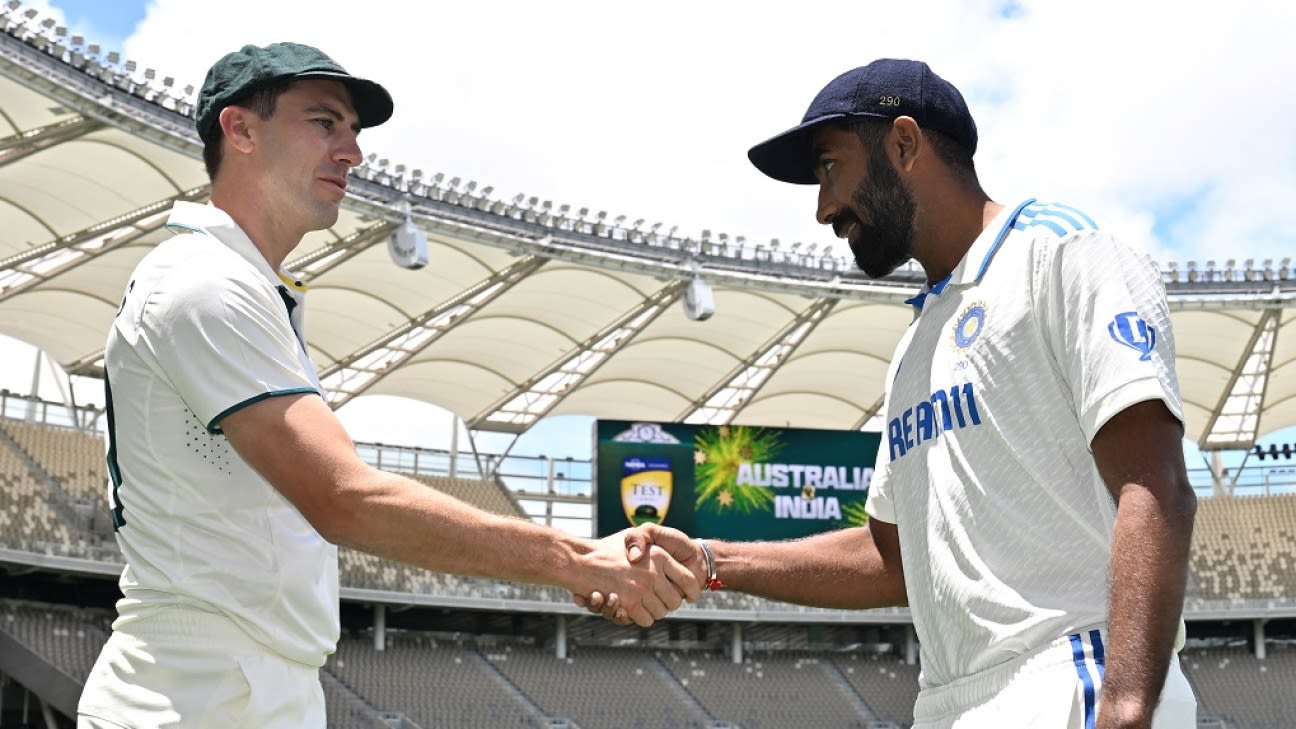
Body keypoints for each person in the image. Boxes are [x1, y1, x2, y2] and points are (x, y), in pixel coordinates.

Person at [77, 42, 697, 729]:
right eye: (324, 123)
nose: (353, 152)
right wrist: (581, 560)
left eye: (353, 131)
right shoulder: (205, 281)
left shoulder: (239, 282)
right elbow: (344, 498)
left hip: (240, 685)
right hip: (195, 695)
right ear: (241, 129)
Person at [581, 58, 1198, 729]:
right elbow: (890, 558)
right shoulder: (916, 344)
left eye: (828, 168)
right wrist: (710, 558)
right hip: (951, 700)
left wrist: (1127, 704)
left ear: (904, 144)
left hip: (1070, 675)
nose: (823, 208)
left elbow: (1156, 484)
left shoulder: (1063, 254)